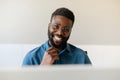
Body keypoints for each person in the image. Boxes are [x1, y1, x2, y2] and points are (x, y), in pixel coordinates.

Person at [22, 7, 92, 66]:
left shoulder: (82, 57)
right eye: (56, 26)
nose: (60, 32)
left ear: (70, 31)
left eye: (66, 29)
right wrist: (43, 68)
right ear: (49, 26)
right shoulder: (31, 58)